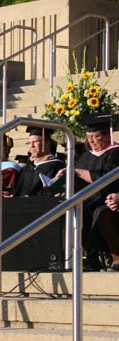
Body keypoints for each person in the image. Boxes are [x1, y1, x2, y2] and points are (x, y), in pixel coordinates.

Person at [74, 113, 119, 270]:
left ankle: (116, 256)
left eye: (96, 136)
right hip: (87, 200)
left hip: (109, 200)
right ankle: (89, 257)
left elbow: (106, 178)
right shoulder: (85, 156)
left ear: (108, 136)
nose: (91, 141)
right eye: (88, 137)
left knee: (99, 211)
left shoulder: (115, 153)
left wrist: (77, 172)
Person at [12, 127, 65, 197]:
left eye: (35, 142)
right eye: (29, 143)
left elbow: (52, 192)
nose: (31, 146)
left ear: (47, 142)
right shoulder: (27, 168)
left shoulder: (56, 166)